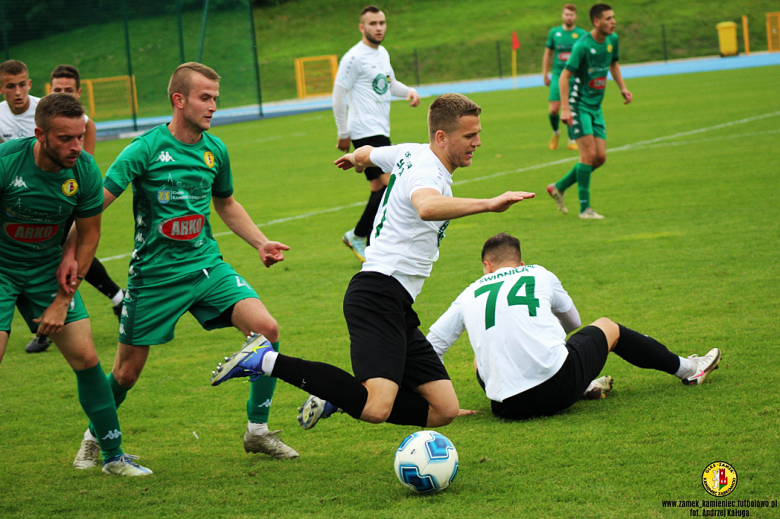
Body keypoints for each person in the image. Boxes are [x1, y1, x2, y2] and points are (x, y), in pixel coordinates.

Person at [210, 94, 536, 433]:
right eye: (470, 136)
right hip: (378, 294)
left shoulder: (410, 152)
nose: (478, 142)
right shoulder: (427, 171)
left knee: (444, 409)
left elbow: (370, 153)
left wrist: (355, 158)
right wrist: (489, 203)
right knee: (376, 407)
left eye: (478, 133)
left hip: (396, 303)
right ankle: (265, 359)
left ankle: (341, 394)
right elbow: (426, 206)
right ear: (442, 137)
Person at [61, 62, 299, 464]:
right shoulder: (145, 149)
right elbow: (93, 204)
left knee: (266, 330)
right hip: (155, 277)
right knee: (125, 374)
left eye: (216, 99)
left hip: (206, 267)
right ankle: (95, 434)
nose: (213, 107)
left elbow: (226, 203)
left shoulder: (214, 150)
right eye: (205, 98)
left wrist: (260, 243)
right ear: (179, 99)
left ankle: (257, 431)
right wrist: (68, 250)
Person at [0, 93, 151, 476]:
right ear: (40, 134)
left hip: (46, 271)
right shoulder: (6, 163)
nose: (76, 146)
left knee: (86, 359)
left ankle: (114, 457)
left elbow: (88, 237)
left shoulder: (83, 170)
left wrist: (61, 300)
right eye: (65, 138)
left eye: (80, 136)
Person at [425, 232, 721, 420]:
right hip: (556, 387)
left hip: (506, 408)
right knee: (608, 328)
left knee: (480, 356)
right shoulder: (538, 273)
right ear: (519, 261)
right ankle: (689, 369)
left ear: (486, 265)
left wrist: (444, 405)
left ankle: (584, 385)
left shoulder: (469, 292)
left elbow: (432, 346)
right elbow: (574, 323)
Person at [24, 64, 124, 354]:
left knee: (68, 254)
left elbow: (82, 166)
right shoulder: (22, 119)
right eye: (58, 90)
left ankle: (50, 325)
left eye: (69, 90)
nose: (64, 94)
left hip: (64, 195)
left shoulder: (81, 131)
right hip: (24, 195)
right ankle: (118, 297)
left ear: (79, 93)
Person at [334, 5, 420, 262]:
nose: (379, 28)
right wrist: (343, 132)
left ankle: (361, 237)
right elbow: (338, 95)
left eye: (382, 23)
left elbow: (389, 84)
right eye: (373, 24)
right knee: (393, 183)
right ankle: (376, 239)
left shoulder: (382, 53)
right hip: (364, 131)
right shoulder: (353, 58)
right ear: (362, 27)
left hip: (380, 129)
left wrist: (408, 92)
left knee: (379, 188)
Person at [547, 3, 632, 219]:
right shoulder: (582, 46)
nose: (613, 22)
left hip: (596, 107)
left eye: (614, 17)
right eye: (608, 18)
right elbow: (565, 77)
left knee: (600, 157)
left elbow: (613, 64)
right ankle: (585, 209)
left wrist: (622, 88)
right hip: (578, 105)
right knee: (587, 156)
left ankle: (558, 186)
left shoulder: (612, 40)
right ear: (596, 22)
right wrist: (566, 109)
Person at [542, 4, 588, 151]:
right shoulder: (554, 33)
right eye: (567, 14)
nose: (569, 17)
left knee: (571, 107)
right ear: (563, 16)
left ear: (576, 17)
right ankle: (556, 132)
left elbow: (585, 56)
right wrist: (544, 73)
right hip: (557, 75)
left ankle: (572, 139)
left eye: (572, 15)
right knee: (554, 110)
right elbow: (548, 53)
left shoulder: (582, 34)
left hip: (575, 76)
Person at [0, 60, 39, 142]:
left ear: (29, 84)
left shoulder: (45, 109)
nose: (18, 92)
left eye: (22, 85)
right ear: (1, 89)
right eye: (11, 86)